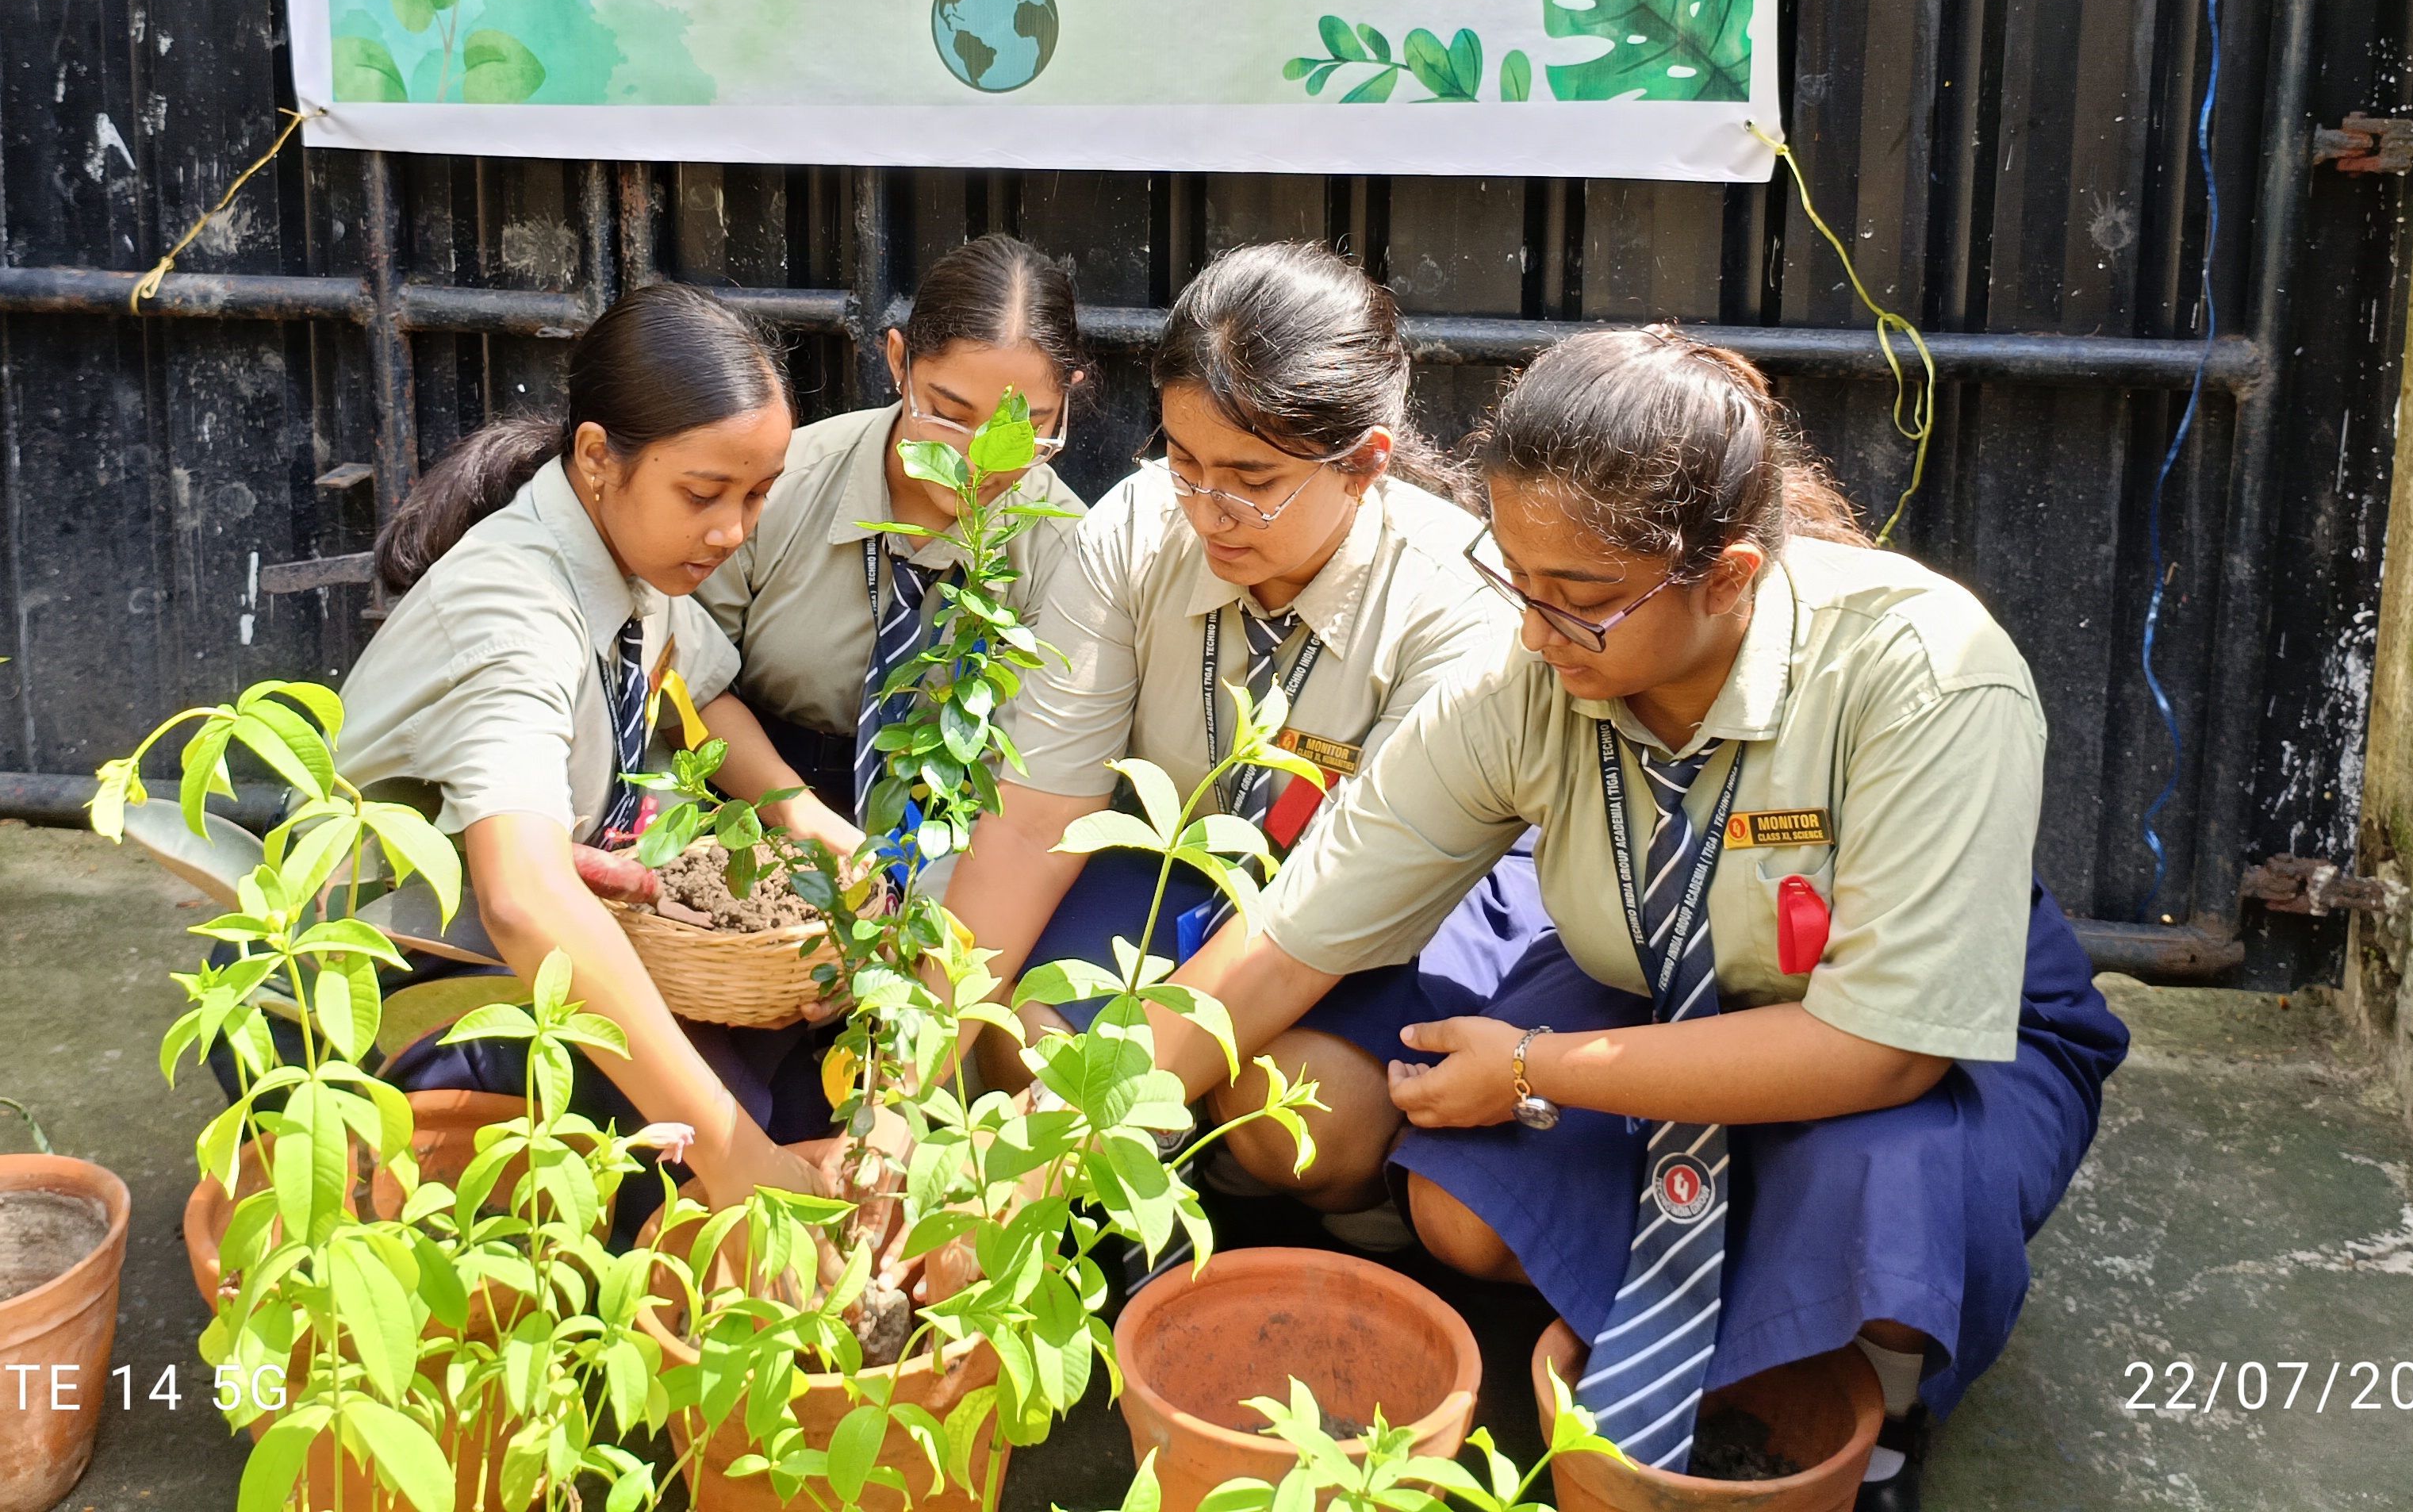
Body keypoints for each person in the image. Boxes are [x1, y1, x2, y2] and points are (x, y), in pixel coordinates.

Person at [1154, 328, 2128, 1512]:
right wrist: (1063, 1132)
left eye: (1582, 599)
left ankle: (1875, 1412)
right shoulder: (1532, 681)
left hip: (1920, 1042)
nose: (1532, 630)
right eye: (1515, 578)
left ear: (1730, 576)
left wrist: (1533, 1066)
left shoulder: (1927, 672)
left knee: (1885, 1198)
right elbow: (1298, 929)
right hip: (1661, 989)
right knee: (1461, 1216)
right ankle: (1734, 1271)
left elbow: (1885, 1049)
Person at [938, 241, 1531, 1241]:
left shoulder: (1456, 605)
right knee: (1026, 1038)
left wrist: (1080, 1131)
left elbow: (1320, 915)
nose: (1208, 512)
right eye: (1184, 462)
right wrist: (908, 1085)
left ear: (1366, 466)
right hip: (1186, 866)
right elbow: (1036, 815)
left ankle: (1343, 1217)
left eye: (1252, 479)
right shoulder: (1132, 531)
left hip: (1375, 920)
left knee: (1297, 1115)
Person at [332, 279, 842, 1209]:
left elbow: (703, 685)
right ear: (599, 456)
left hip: (525, 928)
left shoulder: (636, 548)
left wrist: (800, 815)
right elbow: (524, 902)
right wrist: (741, 1165)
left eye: (759, 494)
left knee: (802, 1054)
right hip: (383, 986)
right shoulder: (512, 614)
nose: (732, 530)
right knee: (693, 1147)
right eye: (705, 493)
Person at [699, 234, 1088, 846]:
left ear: (1066, 396)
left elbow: (1035, 777)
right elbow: (688, 678)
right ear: (898, 359)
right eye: (951, 415)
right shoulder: (776, 485)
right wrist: (799, 819)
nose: (978, 461)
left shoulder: (1067, 548)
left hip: (956, 840)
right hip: (754, 816)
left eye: (1024, 427)